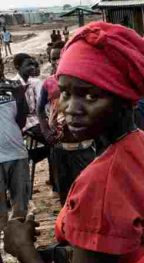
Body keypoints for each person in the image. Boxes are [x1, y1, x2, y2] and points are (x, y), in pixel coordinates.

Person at [4, 21, 144, 263]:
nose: (70, 108)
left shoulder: (99, 186)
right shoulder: (143, 143)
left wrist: (23, 248)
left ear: (125, 97)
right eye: (66, 93)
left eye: (90, 95)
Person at [37, 41, 95, 206]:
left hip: (84, 148)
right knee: (65, 195)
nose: (56, 61)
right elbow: (40, 110)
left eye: (59, 56)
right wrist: (46, 133)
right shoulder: (48, 83)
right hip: (60, 148)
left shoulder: (83, 79)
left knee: (87, 192)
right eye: (53, 58)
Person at [0, 72, 30, 263]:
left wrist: (20, 98)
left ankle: (24, 252)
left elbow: (20, 121)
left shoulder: (11, 87)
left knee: (20, 207)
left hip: (17, 153)